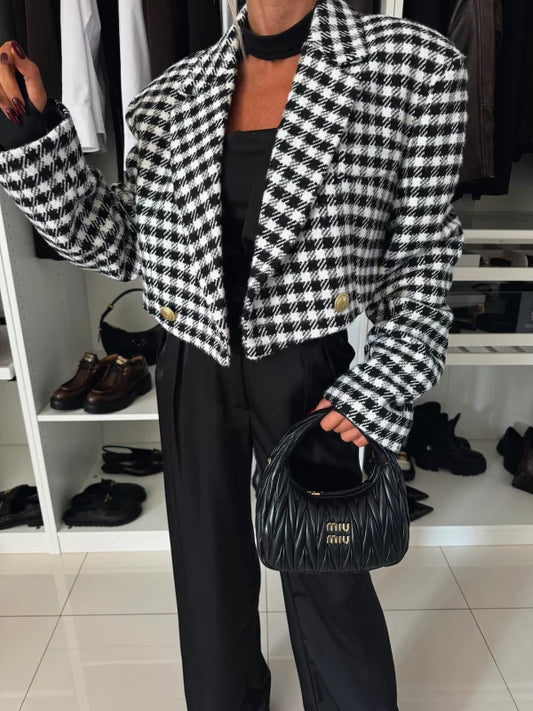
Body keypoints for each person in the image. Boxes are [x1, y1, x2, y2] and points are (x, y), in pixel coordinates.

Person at [0, 1, 468, 708]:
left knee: (328, 570)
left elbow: (422, 258)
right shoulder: (168, 96)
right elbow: (123, 245)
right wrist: (34, 137)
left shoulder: (413, 68)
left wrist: (384, 381)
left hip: (310, 373)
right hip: (192, 364)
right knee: (207, 571)